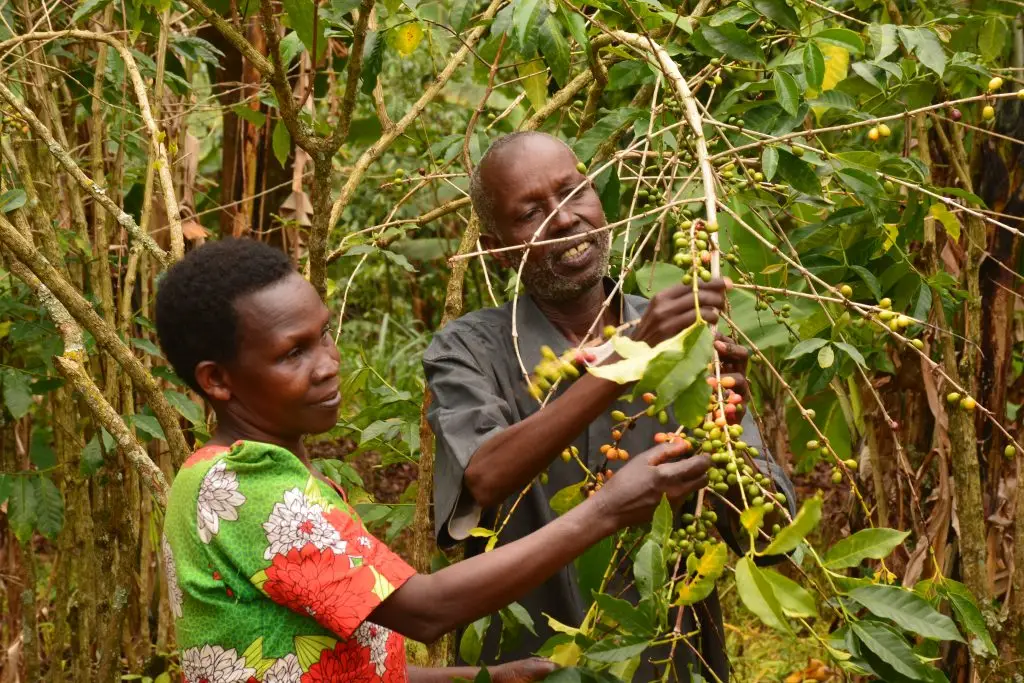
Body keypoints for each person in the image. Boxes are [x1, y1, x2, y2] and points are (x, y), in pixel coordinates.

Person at [155, 238, 714, 683]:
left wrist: (482, 678)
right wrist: (608, 509)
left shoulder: (226, 475)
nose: (328, 363)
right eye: (293, 353)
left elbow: (320, 662)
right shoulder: (246, 484)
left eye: (324, 335)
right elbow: (422, 611)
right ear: (217, 381)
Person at [424, 132, 797, 682]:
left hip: (671, 662)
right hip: (529, 665)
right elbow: (485, 474)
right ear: (498, 248)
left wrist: (726, 448)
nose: (565, 219)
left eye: (574, 193)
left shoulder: (688, 338)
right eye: (530, 212)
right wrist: (629, 358)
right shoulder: (468, 351)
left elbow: (773, 541)